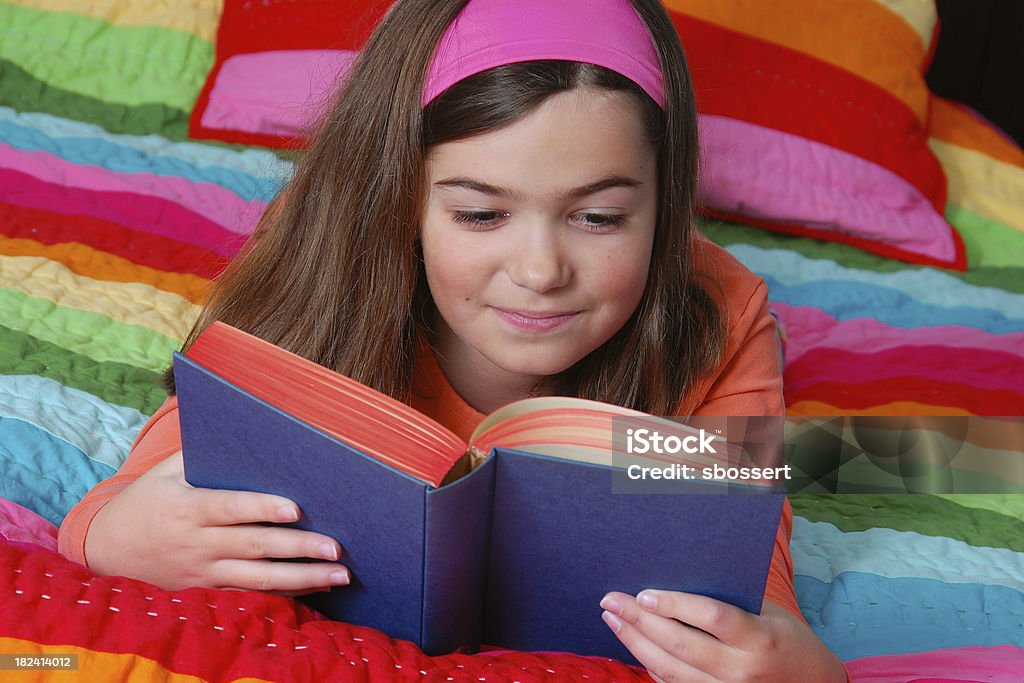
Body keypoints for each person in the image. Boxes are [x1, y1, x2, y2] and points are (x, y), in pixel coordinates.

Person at [58, 0, 847, 679]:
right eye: (479, 214)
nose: (540, 271)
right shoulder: (322, 264)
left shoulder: (724, 317)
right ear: (402, 201)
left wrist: (795, 663)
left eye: (600, 217)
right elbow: (123, 500)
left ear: (665, 208)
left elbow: (760, 585)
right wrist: (120, 534)